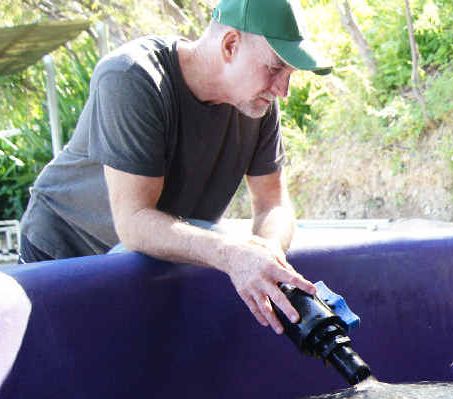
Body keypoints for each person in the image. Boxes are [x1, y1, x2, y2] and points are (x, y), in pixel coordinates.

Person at [17, 0, 330, 334]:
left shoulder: (258, 105)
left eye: (289, 74)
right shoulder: (132, 76)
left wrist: (267, 253)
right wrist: (231, 253)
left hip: (148, 258)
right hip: (63, 255)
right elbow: (134, 222)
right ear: (230, 45)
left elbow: (273, 203)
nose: (283, 90)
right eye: (274, 68)